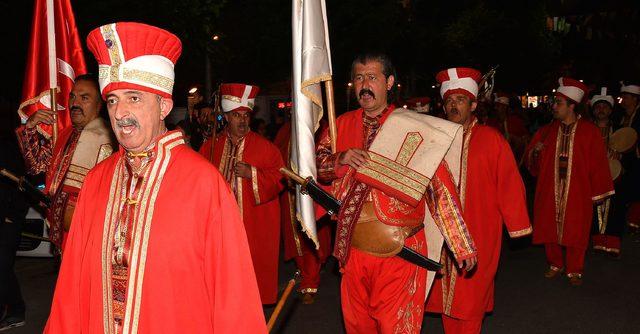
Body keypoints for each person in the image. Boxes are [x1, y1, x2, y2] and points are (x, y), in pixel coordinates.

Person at [44, 22, 267, 333]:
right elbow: (72, 286)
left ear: (163, 105)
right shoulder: (96, 180)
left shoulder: (203, 182)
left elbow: (234, 297)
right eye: (112, 100)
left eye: (134, 98)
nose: (120, 112)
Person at [316, 53, 477, 333]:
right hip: (352, 249)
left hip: (400, 250)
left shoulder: (415, 126)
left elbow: (439, 187)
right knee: (357, 327)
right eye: (359, 78)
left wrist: (460, 242)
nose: (364, 84)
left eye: (372, 77)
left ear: (389, 82)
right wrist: (339, 159)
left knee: (396, 328)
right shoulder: (338, 124)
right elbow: (318, 166)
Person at [426, 67, 532, 333]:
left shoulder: (491, 139)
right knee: (447, 300)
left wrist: (517, 223)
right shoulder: (434, 139)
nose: (453, 105)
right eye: (449, 100)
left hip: (479, 232)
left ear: (473, 104)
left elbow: (509, 184)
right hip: (439, 235)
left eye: (460, 99)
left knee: (471, 299)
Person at [199, 83, 284, 305]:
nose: (242, 120)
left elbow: (280, 177)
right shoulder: (210, 147)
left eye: (246, 115)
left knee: (251, 279)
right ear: (226, 117)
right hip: (219, 228)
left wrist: (252, 173)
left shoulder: (266, 148)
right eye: (236, 115)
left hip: (252, 227)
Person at [524, 78, 614, 286]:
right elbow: (530, 162)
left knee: (577, 228)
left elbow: (599, 164)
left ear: (572, 105)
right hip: (550, 188)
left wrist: (597, 192)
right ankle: (555, 263)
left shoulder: (589, 132)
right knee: (548, 227)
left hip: (578, 190)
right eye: (555, 103)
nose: (554, 107)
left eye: (558, 103)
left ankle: (575, 269)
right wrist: (535, 153)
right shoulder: (546, 130)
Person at [16, 74, 115, 252]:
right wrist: (30, 128)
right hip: (60, 232)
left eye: (84, 98)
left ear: (100, 104)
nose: (75, 103)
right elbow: (36, 166)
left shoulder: (108, 139)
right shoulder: (63, 135)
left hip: (88, 236)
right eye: (72, 96)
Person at [274, 116, 332, 305]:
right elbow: (277, 160)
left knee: (312, 234)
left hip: (311, 191)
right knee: (295, 237)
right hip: (290, 194)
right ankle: (304, 272)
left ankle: (310, 282)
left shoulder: (320, 128)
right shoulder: (285, 130)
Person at [0, 112, 30, 331]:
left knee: (2, 266)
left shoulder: (8, 145)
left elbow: (20, 183)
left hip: (9, 218)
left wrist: (13, 214)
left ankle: (17, 310)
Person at [589, 87, 623, 255]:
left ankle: (613, 245)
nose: (601, 110)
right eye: (598, 107)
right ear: (593, 110)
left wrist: (619, 154)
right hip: (593, 177)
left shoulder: (619, 129)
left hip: (614, 177)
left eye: (604, 107)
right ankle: (598, 244)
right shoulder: (586, 130)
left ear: (610, 110)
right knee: (594, 211)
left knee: (614, 211)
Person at [617, 82, 640, 231]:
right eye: (622, 97)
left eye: (626, 97)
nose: (623, 100)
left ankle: (634, 222)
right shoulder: (621, 117)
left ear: (635, 99)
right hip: (626, 159)